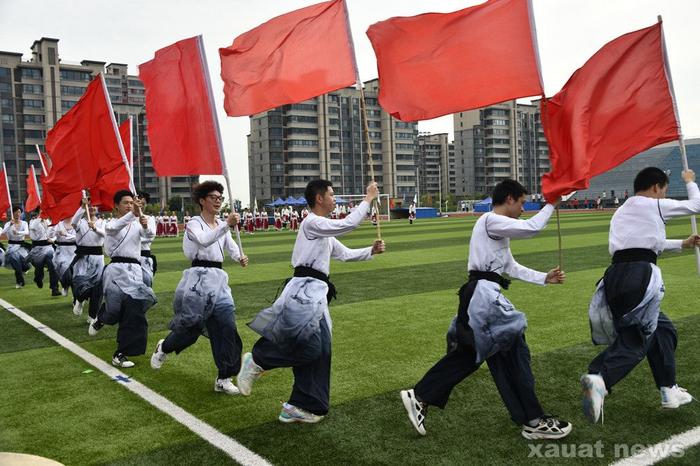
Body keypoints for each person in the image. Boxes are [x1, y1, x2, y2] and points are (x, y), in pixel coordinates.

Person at [399, 179, 572, 440]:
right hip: (483, 296)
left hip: (481, 294)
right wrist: (552, 203)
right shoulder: (491, 221)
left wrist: (542, 277)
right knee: (510, 354)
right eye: (522, 203)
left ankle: (422, 395)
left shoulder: (494, 227)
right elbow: (532, 228)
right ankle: (533, 421)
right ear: (510, 199)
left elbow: (509, 266)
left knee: (479, 354)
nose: (524, 208)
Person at [236, 180, 385, 423]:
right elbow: (347, 224)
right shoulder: (312, 223)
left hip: (315, 293)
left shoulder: (322, 229)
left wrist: (371, 250)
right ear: (319, 198)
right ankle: (258, 360)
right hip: (303, 291)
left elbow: (345, 254)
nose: (334, 198)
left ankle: (302, 405)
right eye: (332, 194)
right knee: (310, 346)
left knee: (322, 349)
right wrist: (368, 199)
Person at [582, 168, 700, 424]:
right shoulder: (652, 204)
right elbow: (696, 205)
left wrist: (683, 243)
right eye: (664, 192)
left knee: (663, 329)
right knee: (637, 338)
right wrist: (689, 181)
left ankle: (668, 389)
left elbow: (647, 242)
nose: (663, 197)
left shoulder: (623, 210)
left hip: (614, 276)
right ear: (656, 187)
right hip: (639, 275)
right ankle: (600, 377)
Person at [150, 181, 249, 394]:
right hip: (198, 280)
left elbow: (230, 247)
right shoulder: (194, 223)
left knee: (227, 327)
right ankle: (165, 347)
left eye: (220, 198)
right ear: (202, 201)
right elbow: (204, 241)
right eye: (213, 197)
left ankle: (224, 377)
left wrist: (239, 256)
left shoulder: (221, 224)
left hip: (219, 280)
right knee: (191, 328)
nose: (218, 201)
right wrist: (226, 225)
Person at [89, 190, 157, 368]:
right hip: (116, 271)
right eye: (126, 203)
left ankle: (121, 353)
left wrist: (144, 225)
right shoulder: (110, 223)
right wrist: (132, 215)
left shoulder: (136, 223)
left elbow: (149, 237)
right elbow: (112, 229)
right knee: (114, 312)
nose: (130, 205)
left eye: (131, 202)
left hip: (135, 270)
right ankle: (102, 318)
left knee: (134, 310)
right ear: (116, 206)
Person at [70, 199, 106, 320]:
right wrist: (82, 206)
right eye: (89, 206)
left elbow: (105, 234)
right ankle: (79, 299)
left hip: (98, 257)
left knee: (97, 287)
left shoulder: (103, 222)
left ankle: (92, 315)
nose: (92, 207)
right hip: (83, 257)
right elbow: (73, 222)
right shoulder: (81, 222)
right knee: (80, 283)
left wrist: (95, 228)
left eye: (94, 205)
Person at [26, 209, 61, 296]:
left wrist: (52, 239)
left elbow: (55, 233)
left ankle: (54, 288)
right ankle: (38, 278)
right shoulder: (33, 221)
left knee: (53, 266)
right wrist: (40, 217)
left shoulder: (48, 221)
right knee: (39, 268)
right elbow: (33, 227)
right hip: (37, 248)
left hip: (48, 247)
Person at [2, 207, 31, 288]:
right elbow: (3, 232)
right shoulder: (8, 223)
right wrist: (10, 225)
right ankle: (19, 281)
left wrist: (18, 232)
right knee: (16, 263)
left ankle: (24, 269)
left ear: (21, 213)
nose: (17, 213)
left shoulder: (24, 223)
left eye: (19, 212)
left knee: (26, 265)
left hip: (21, 247)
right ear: (12, 213)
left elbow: (26, 232)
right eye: (15, 212)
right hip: (11, 247)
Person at [137, 191, 158, 288]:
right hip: (130, 256)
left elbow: (150, 236)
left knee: (146, 286)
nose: (140, 205)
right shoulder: (127, 220)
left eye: (143, 204)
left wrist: (145, 227)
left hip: (144, 254)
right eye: (138, 202)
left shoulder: (149, 219)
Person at [53, 216, 77, 296]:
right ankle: (65, 285)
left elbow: (79, 238)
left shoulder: (78, 223)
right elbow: (50, 235)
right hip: (62, 251)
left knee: (75, 275)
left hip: (75, 251)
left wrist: (66, 234)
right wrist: (53, 228)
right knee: (65, 271)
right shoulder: (58, 224)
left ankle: (76, 299)